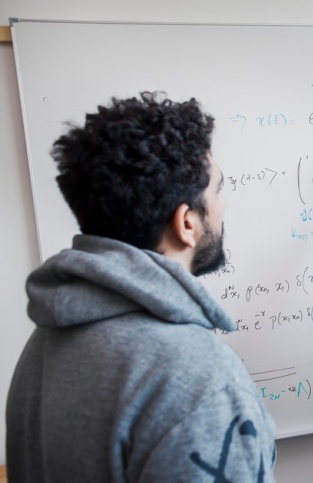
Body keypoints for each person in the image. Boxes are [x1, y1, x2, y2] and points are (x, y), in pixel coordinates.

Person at [6, 92, 277, 482]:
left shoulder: (46, 343)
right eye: (218, 190)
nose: (223, 205)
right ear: (187, 223)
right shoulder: (197, 376)